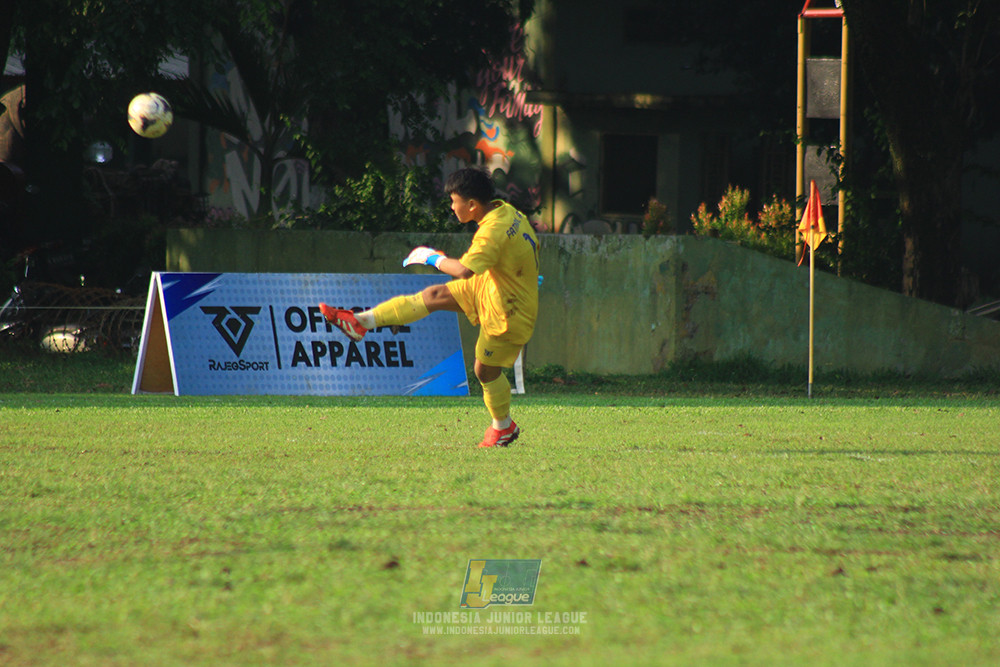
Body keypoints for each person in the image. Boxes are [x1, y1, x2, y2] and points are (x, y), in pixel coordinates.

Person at [320, 167, 539, 448]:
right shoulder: (505, 211)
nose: (451, 206)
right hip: (492, 288)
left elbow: (462, 270)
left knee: (484, 371)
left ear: (471, 205)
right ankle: (360, 322)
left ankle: (503, 427)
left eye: (454, 201)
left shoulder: (492, 231)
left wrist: (432, 257)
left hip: (509, 310)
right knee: (434, 295)